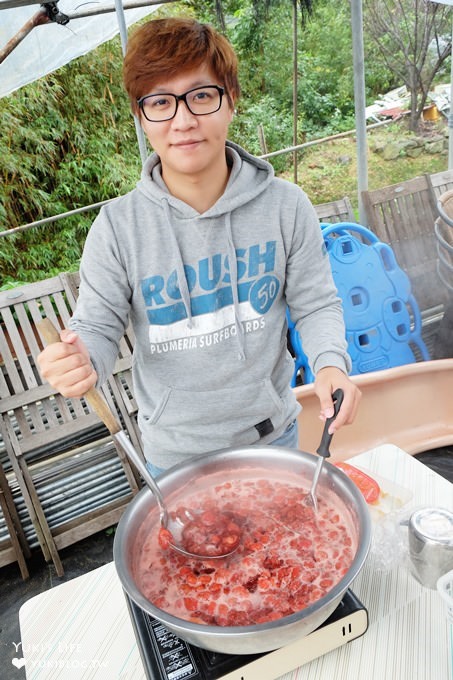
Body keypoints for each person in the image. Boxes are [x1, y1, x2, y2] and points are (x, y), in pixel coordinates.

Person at [37, 17, 361, 475]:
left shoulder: (286, 206)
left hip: (274, 436)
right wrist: (79, 360)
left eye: (202, 96)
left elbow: (316, 303)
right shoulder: (116, 227)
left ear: (231, 102)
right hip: (174, 457)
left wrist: (330, 364)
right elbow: (97, 326)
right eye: (160, 103)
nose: (183, 121)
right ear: (140, 115)